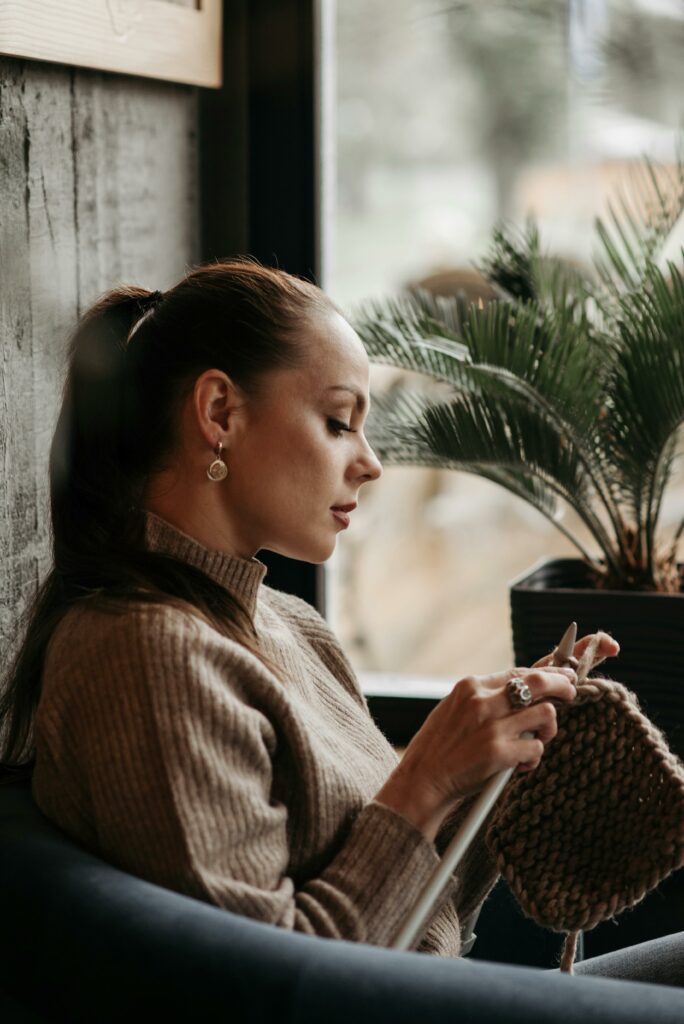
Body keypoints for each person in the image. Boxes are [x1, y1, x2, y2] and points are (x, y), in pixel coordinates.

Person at [0, 259, 678, 985]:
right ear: (220, 413)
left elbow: (422, 926)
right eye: (336, 422)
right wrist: (423, 778)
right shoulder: (146, 658)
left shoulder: (289, 625)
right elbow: (264, 994)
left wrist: (491, 766)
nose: (371, 464)